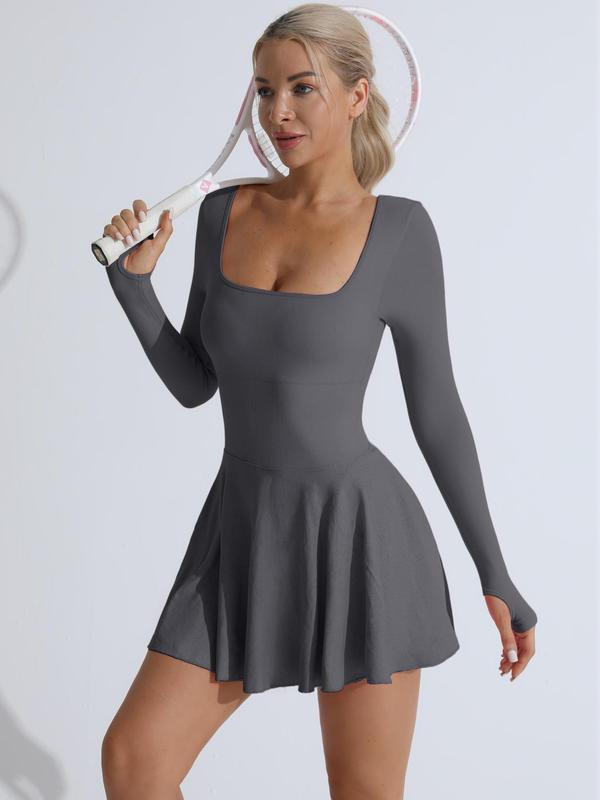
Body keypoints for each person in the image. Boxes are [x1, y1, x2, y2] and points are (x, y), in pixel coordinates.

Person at [99, 4, 538, 798]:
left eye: (303, 88)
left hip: (361, 539)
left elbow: (437, 411)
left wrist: (495, 571)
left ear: (357, 95)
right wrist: (133, 291)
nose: (279, 112)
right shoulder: (223, 214)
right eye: (265, 90)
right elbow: (198, 384)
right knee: (135, 760)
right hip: (238, 530)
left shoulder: (399, 231)